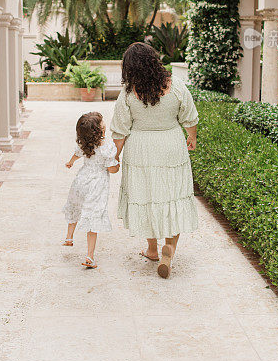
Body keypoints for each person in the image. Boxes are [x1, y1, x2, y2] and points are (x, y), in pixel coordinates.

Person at [111, 42, 198, 278]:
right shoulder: (177, 85)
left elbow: (120, 130)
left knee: (147, 195)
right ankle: (169, 247)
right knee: (173, 195)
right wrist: (192, 138)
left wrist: (114, 157)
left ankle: (152, 249)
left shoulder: (129, 93)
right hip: (170, 145)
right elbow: (189, 117)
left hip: (140, 149)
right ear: (154, 60)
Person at [63, 112, 119, 269]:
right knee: (93, 216)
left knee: (75, 205)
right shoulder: (106, 147)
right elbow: (111, 169)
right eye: (102, 123)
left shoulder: (84, 144)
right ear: (99, 130)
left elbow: (76, 154)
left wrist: (70, 162)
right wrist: (117, 166)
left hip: (81, 180)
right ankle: (90, 256)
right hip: (97, 184)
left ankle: (69, 237)